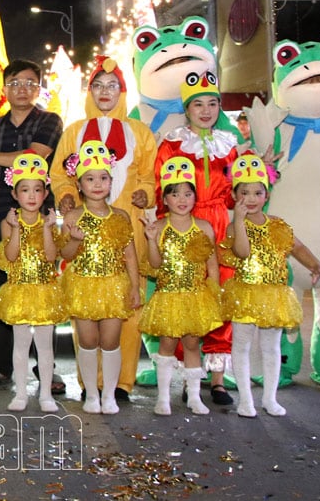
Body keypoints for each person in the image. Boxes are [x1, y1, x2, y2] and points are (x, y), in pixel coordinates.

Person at [49, 56, 155, 400]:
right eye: (98, 85)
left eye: (112, 86)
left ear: (123, 91)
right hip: (85, 226)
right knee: (85, 308)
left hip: (127, 225)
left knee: (127, 304)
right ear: (90, 90)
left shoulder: (140, 131)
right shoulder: (74, 131)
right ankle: (87, 383)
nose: (105, 92)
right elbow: (59, 174)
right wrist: (66, 195)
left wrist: (145, 193)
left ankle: (121, 382)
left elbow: (152, 176)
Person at [0, 58, 64, 393]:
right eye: (15, 83)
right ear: (5, 87)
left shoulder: (49, 120)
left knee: (38, 295)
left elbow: (32, 158)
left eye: (28, 83)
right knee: (2, 295)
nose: (21, 89)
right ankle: (3, 367)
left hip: (38, 227)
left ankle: (46, 369)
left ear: (38, 88)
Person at [219, 154, 320, 418]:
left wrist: (315, 265)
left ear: (266, 194)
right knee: (242, 345)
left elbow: (297, 246)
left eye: (258, 192)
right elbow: (242, 253)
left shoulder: (278, 224)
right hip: (245, 292)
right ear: (236, 196)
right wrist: (240, 220)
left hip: (274, 295)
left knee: (271, 347)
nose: (252, 198)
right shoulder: (235, 227)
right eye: (245, 193)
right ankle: (246, 400)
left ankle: (269, 398)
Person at [153, 70, 237, 406]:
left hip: (217, 224)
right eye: (198, 104)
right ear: (186, 108)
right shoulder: (172, 144)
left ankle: (217, 379)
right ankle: (181, 376)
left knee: (217, 297)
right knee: (182, 299)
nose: (205, 110)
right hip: (182, 225)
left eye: (212, 103)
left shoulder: (229, 147)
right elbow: (163, 190)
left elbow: (235, 193)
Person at [58, 141, 141, 415]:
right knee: (88, 341)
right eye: (90, 179)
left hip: (114, 285)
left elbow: (129, 254)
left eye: (103, 178)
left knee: (110, 341)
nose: (97, 184)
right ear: (79, 184)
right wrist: (75, 240)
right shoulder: (73, 215)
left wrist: (135, 287)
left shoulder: (121, 215)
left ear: (110, 182)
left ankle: (110, 394)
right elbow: (65, 253)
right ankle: (91, 393)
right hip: (82, 285)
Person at [139, 157, 222, 416]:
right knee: (166, 344)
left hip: (196, 296)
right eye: (175, 194)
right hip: (169, 296)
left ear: (195, 197)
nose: (182, 199)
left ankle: (195, 396)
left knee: (191, 344)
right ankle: (163, 397)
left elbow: (213, 264)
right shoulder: (160, 226)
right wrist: (152, 240)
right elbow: (154, 264)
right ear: (165, 199)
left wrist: (216, 293)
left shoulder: (205, 227)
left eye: (188, 193)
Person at [0, 152, 65, 413]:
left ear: (45, 194)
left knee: (45, 346)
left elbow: (51, 257)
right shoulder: (8, 222)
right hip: (19, 289)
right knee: (20, 344)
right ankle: (20, 392)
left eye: (37, 190)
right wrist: (16, 229)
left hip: (44, 290)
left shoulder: (49, 223)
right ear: (15, 194)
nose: (31, 196)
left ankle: (45, 393)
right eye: (25, 190)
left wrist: (47, 229)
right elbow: (10, 257)